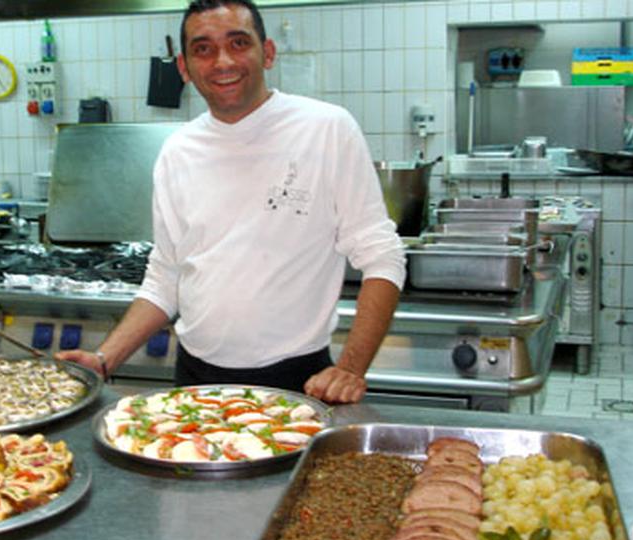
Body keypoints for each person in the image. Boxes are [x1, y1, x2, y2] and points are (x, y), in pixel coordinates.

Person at [56, 0, 405, 404]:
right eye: (203, 49)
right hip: (194, 379)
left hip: (298, 379)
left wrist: (349, 369)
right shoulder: (177, 151)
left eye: (238, 43)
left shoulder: (326, 129)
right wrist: (104, 358)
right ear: (185, 68)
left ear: (267, 52)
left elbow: (383, 256)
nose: (223, 61)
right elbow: (166, 275)